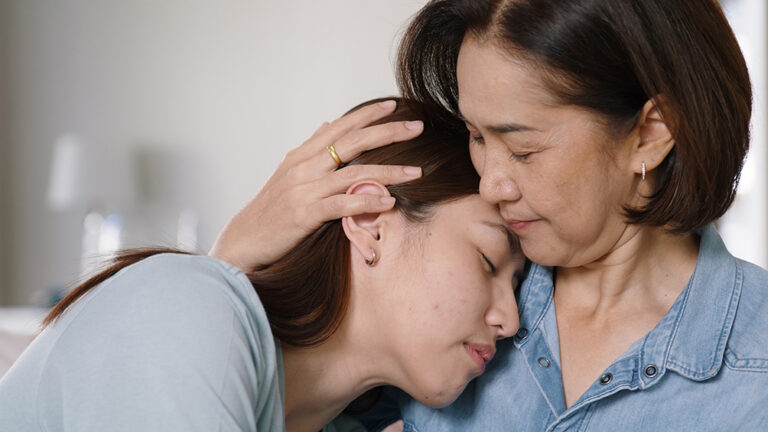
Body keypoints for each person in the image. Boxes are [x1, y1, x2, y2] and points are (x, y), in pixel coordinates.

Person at [208, 0, 768, 430]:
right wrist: (223, 276)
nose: (491, 183)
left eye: (523, 149)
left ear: (651, 133)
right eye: (477, 136)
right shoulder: (444, 298)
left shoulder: (754, 368)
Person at [0, 98, 526, 432]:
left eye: (519, 284)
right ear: (368, 219)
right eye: (487, 260)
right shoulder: (181, 308)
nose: (513, 319)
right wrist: (220, 275)